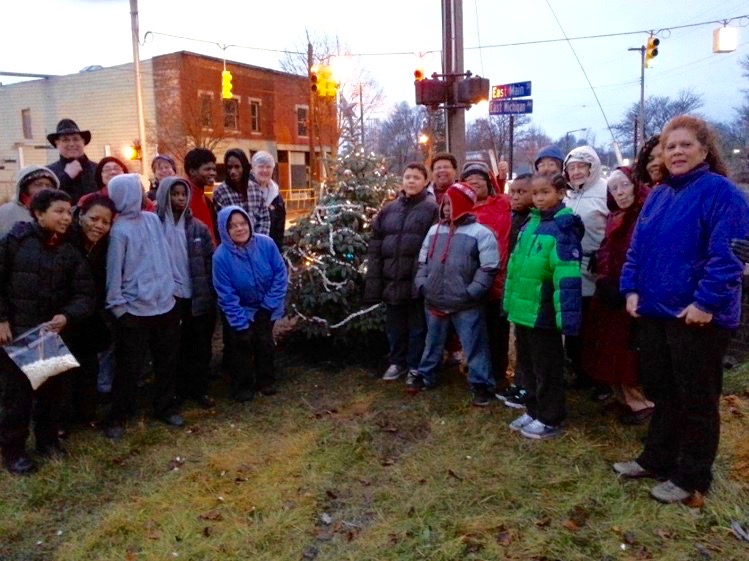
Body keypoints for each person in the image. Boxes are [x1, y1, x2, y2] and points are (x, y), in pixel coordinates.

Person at [615, 116, 749, 504]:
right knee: (662, 391)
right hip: (656, 312)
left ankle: (692, 475)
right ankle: (657, 458)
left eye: (685, 145)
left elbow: (729, 256)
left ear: (704, 151)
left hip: (697, 317)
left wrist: (705, 302)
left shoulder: (721, 194)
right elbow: (637, 249)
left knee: (696, 398)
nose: (676, 152)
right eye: (670, 147)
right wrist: (631, 288)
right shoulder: (659, 195)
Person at [0, 189, 94, 474]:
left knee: (52, 394)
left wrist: (67, 316)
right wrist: (2, 318)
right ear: (39, 213)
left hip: (50, 335)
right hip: (15, 334)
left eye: (69, 212)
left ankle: (47, 441)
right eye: (59, 211)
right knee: (17, 398)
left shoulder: (69, 251)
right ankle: (13, 450)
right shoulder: (16, 241)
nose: (66, 218)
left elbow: (85, 294)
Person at [504, 173, 583, 440]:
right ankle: (533, 408)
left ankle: (551, 416)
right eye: (535, 193)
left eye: (545, 192)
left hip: (543, 311)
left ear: (560, 193)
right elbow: (514, 269)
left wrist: (567, 316)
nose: (538, 198)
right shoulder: (529, 225)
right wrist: (509, 303)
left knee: (546, 367)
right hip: (523, 311)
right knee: (526, 365)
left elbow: (566, 275)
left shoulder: (563, 228)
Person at [104, 174, 183, 440]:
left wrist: (172, 287)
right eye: (138, 189)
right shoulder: (119, 230)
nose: (143, 192)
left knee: (167, 362)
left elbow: (165, 254)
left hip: (166, 305)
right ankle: (118, 415)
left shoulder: (151, 220)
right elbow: (114, 272)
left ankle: (165, 406)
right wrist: (119, 308)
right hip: (134, 311)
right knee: (129, 367)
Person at [409, 182, 500, 407]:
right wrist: (423, 284)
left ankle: (481, 384)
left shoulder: (481, 233)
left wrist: (473, 291)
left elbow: (489, 267)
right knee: (433, 342)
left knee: (474, 345)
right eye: (445, 204)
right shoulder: (435, 230)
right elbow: (423, 261)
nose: (447, 208)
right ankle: (426, 375)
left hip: (466, 303)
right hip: (435, 299)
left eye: (452, 204)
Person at [582, 167, 654, 425]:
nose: (620, 192)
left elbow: (642, 256)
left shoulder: (645, 215)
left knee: (626, 352)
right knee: (607, 347)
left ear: (635, 185)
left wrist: (626, 286)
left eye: (624, 186)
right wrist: (601, 274)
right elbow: (607, 250)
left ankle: (640, 402)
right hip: (609, 291)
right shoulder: (615, 216)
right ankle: (622, 397)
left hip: (631, 294)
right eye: (614, 188)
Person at [364, 162, 438, 381]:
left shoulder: (432, 208)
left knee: (417, 327)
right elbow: (376, 243)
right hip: (392, 279)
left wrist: (423, 277)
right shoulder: (389, 209)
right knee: (395, 326)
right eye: (407, 177)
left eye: (416, 177)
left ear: (425, 181)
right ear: (402, 180)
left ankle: (415, 365)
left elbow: (433, 243)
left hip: (415, 279)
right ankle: (397, 362)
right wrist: (375, 279)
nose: (411, 181)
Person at [213, 206, 288, 402]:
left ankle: (266, 379)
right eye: (233, 226)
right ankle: (243, 384)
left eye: (242, 223)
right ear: (225, 230)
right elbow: (226, 294)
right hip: (241, 308)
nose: (239, 229)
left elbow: (280, 275)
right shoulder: (221, 257)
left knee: (264, 340)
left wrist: (267, 307)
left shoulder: (266, 244)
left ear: (249, 223)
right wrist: (240, 324)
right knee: (241, 344)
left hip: (265, 305)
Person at [155, 177, 216, 409]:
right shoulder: (155, 225)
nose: (180, 198)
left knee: (199, 346)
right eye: (174, 193)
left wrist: (209, 293)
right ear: (164, 195)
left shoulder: (198, 227)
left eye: (183, 194)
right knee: (174, 348)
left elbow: (209, 262)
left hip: (197, 296)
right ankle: (177, 392)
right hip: (169, 298)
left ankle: (199, 389)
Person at [63, 194, 117, 429]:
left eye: (105, 222)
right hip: (63, 313)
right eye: (94, 218)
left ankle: (85, 415)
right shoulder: (65, 240)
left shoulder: (105, 245)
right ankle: (60, 421)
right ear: (80, 215)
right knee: (63, 371)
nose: (99, 225)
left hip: (91, 315)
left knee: (88, 367)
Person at [460, 162, 512, 390]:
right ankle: (476, 368)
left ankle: (499, 371)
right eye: (469, 179)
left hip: (499, 278)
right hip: (469, 278)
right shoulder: (461, 209)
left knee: (497, 329)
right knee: (472, 327)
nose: (475, 182)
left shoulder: (503, 203)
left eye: (479, 178)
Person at [562, 146, 610, 395]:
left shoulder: (606, 192)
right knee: (574, 328)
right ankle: (580, 373)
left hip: (596, 270)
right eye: (572, 168)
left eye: (582, 166)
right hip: (570, 270)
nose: (577, 172)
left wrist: (603, 259)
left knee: (596, 329)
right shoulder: (567, 196)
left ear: (592, 168)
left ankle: (601, 381)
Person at [496, 172, 534, 408]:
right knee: (520, 339)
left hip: (530, 289)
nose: (516, 197)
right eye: (513, 192)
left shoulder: (533, 220)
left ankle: (529, 387)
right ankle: (520, 384)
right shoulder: (513, 217)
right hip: (515, 285)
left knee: (530, 344)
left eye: (522, 192)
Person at [212, 148, 270, 237]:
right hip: (234, 247)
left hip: (256, 245)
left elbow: (264, 218)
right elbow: (221, 225)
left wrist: (258, 242)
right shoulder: (221, 193)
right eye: (229, 167)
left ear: (244, 167)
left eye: (237, 167)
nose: (232, 172)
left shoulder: (255, 189)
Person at [46, 119, 98, 205]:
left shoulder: (98, 170)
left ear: (83, 142)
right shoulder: (48, 173)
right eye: (65, 140)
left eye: (76, 139)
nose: (71, 144)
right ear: (57, 143)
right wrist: (66, 177)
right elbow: (44, 201)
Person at [0, 166, 59, 236]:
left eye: (49, 186)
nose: (44, 189)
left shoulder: (59, 213)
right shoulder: (5, 212)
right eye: (38, 184)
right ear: (24, 187)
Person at [249, 151, 286, 251]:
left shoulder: (276, 196)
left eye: (268, 167)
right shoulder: (246, 192)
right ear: (253, 169)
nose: (265, 170)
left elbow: (279, 230)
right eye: (261, 166)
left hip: (269, 249)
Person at [184, 148, 218, 243]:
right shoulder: (184, 199)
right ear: (192, 171)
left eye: (214, 169)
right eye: (207, 169)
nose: (212, 173)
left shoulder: (205, 197)